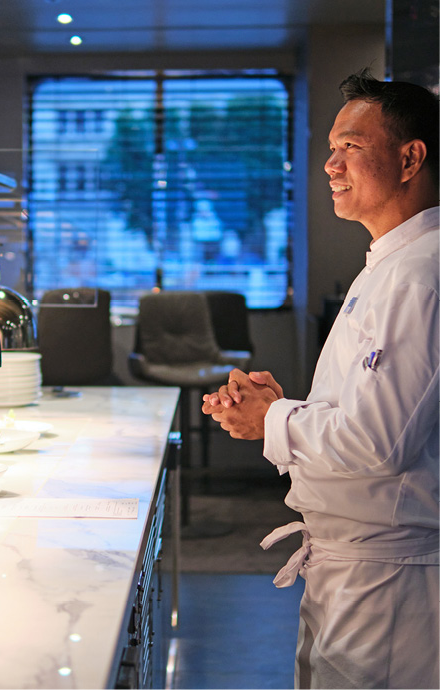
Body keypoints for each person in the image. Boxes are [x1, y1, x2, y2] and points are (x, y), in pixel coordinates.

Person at [202, 68, 439, 689]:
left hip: (387, 580)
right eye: (330, 149)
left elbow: (378, 443)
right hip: (354, 565)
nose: (330, 165)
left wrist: (273, 421)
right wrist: (283, 409)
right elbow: (376, 414)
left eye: (351, 148)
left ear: (411, 158)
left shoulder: (420, 274)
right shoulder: (389, 264)